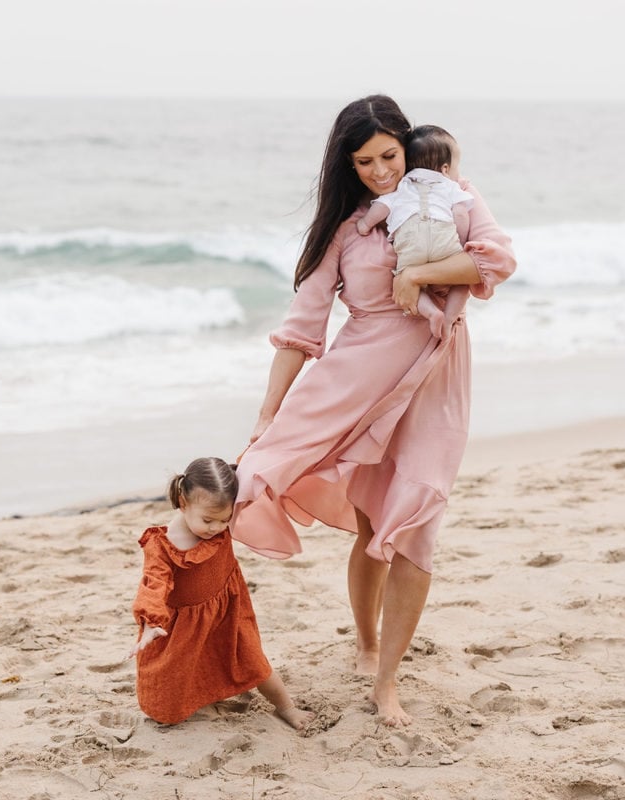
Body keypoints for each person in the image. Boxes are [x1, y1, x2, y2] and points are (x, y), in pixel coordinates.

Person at [232, 95, 516, 726]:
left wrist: (416, 277)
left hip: (435, 379)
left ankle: (387, 681)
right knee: (346, 519)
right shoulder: (347, 229)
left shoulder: (452, 194)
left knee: (415, 526)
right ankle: (364, 643)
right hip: (357, 383)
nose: (381, 171)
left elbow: (496, 258)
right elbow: (302, 328)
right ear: (348, 166)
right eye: (364, 162)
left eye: (389, 155)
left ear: (407, 145)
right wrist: (267, 415)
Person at [129, 456, 314, 730]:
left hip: (228, 611)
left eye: (224, 520)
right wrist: (150, 622)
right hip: (184, 626)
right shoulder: (162, 544)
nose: (216, 528)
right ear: (183, 502)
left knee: (253, 661)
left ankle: (287, 706)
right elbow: (154, 582)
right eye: (208, 520)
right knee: (167, 702)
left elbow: (256, 477)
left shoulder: (218, 520)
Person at [355, 125, 473, 337]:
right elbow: (461, 214)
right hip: (444, 240)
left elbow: (382, 206)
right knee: (462, 280)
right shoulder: (450, 186)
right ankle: (448, 318)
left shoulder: (402, 186)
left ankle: (431, 314)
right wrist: (461, 243)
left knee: (404, 280)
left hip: (411, 243)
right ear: (445, 169)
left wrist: (365, 224)